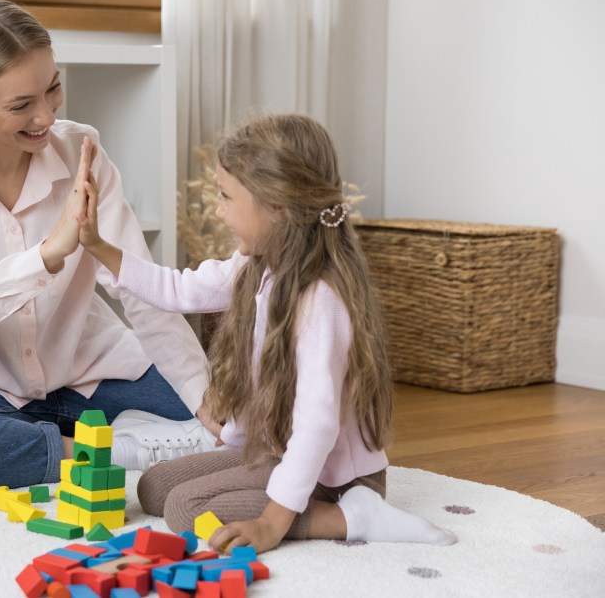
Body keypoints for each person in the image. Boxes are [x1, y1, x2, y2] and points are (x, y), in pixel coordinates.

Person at [77, 113, 458, 552]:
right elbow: (178, 290)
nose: (219, 211)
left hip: (332, 476)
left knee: (186, 509)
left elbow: (317, 425)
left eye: (226, 197)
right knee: (154, 487)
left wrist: (272, 524)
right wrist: (97, 245)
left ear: (276, 206)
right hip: (276, 452)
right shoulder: (255, 265)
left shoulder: (321, 299)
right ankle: (296, 497)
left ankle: (350, 516)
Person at [0, 0, 220, 495]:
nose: (44, 115)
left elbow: (139, 286)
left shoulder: (82, 150)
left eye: (53, 88)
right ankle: (117, 451)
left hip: (97, 374)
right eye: (21, 105)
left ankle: (68, 447)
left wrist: (203, 397)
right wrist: (47, 254)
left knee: (238, 418)